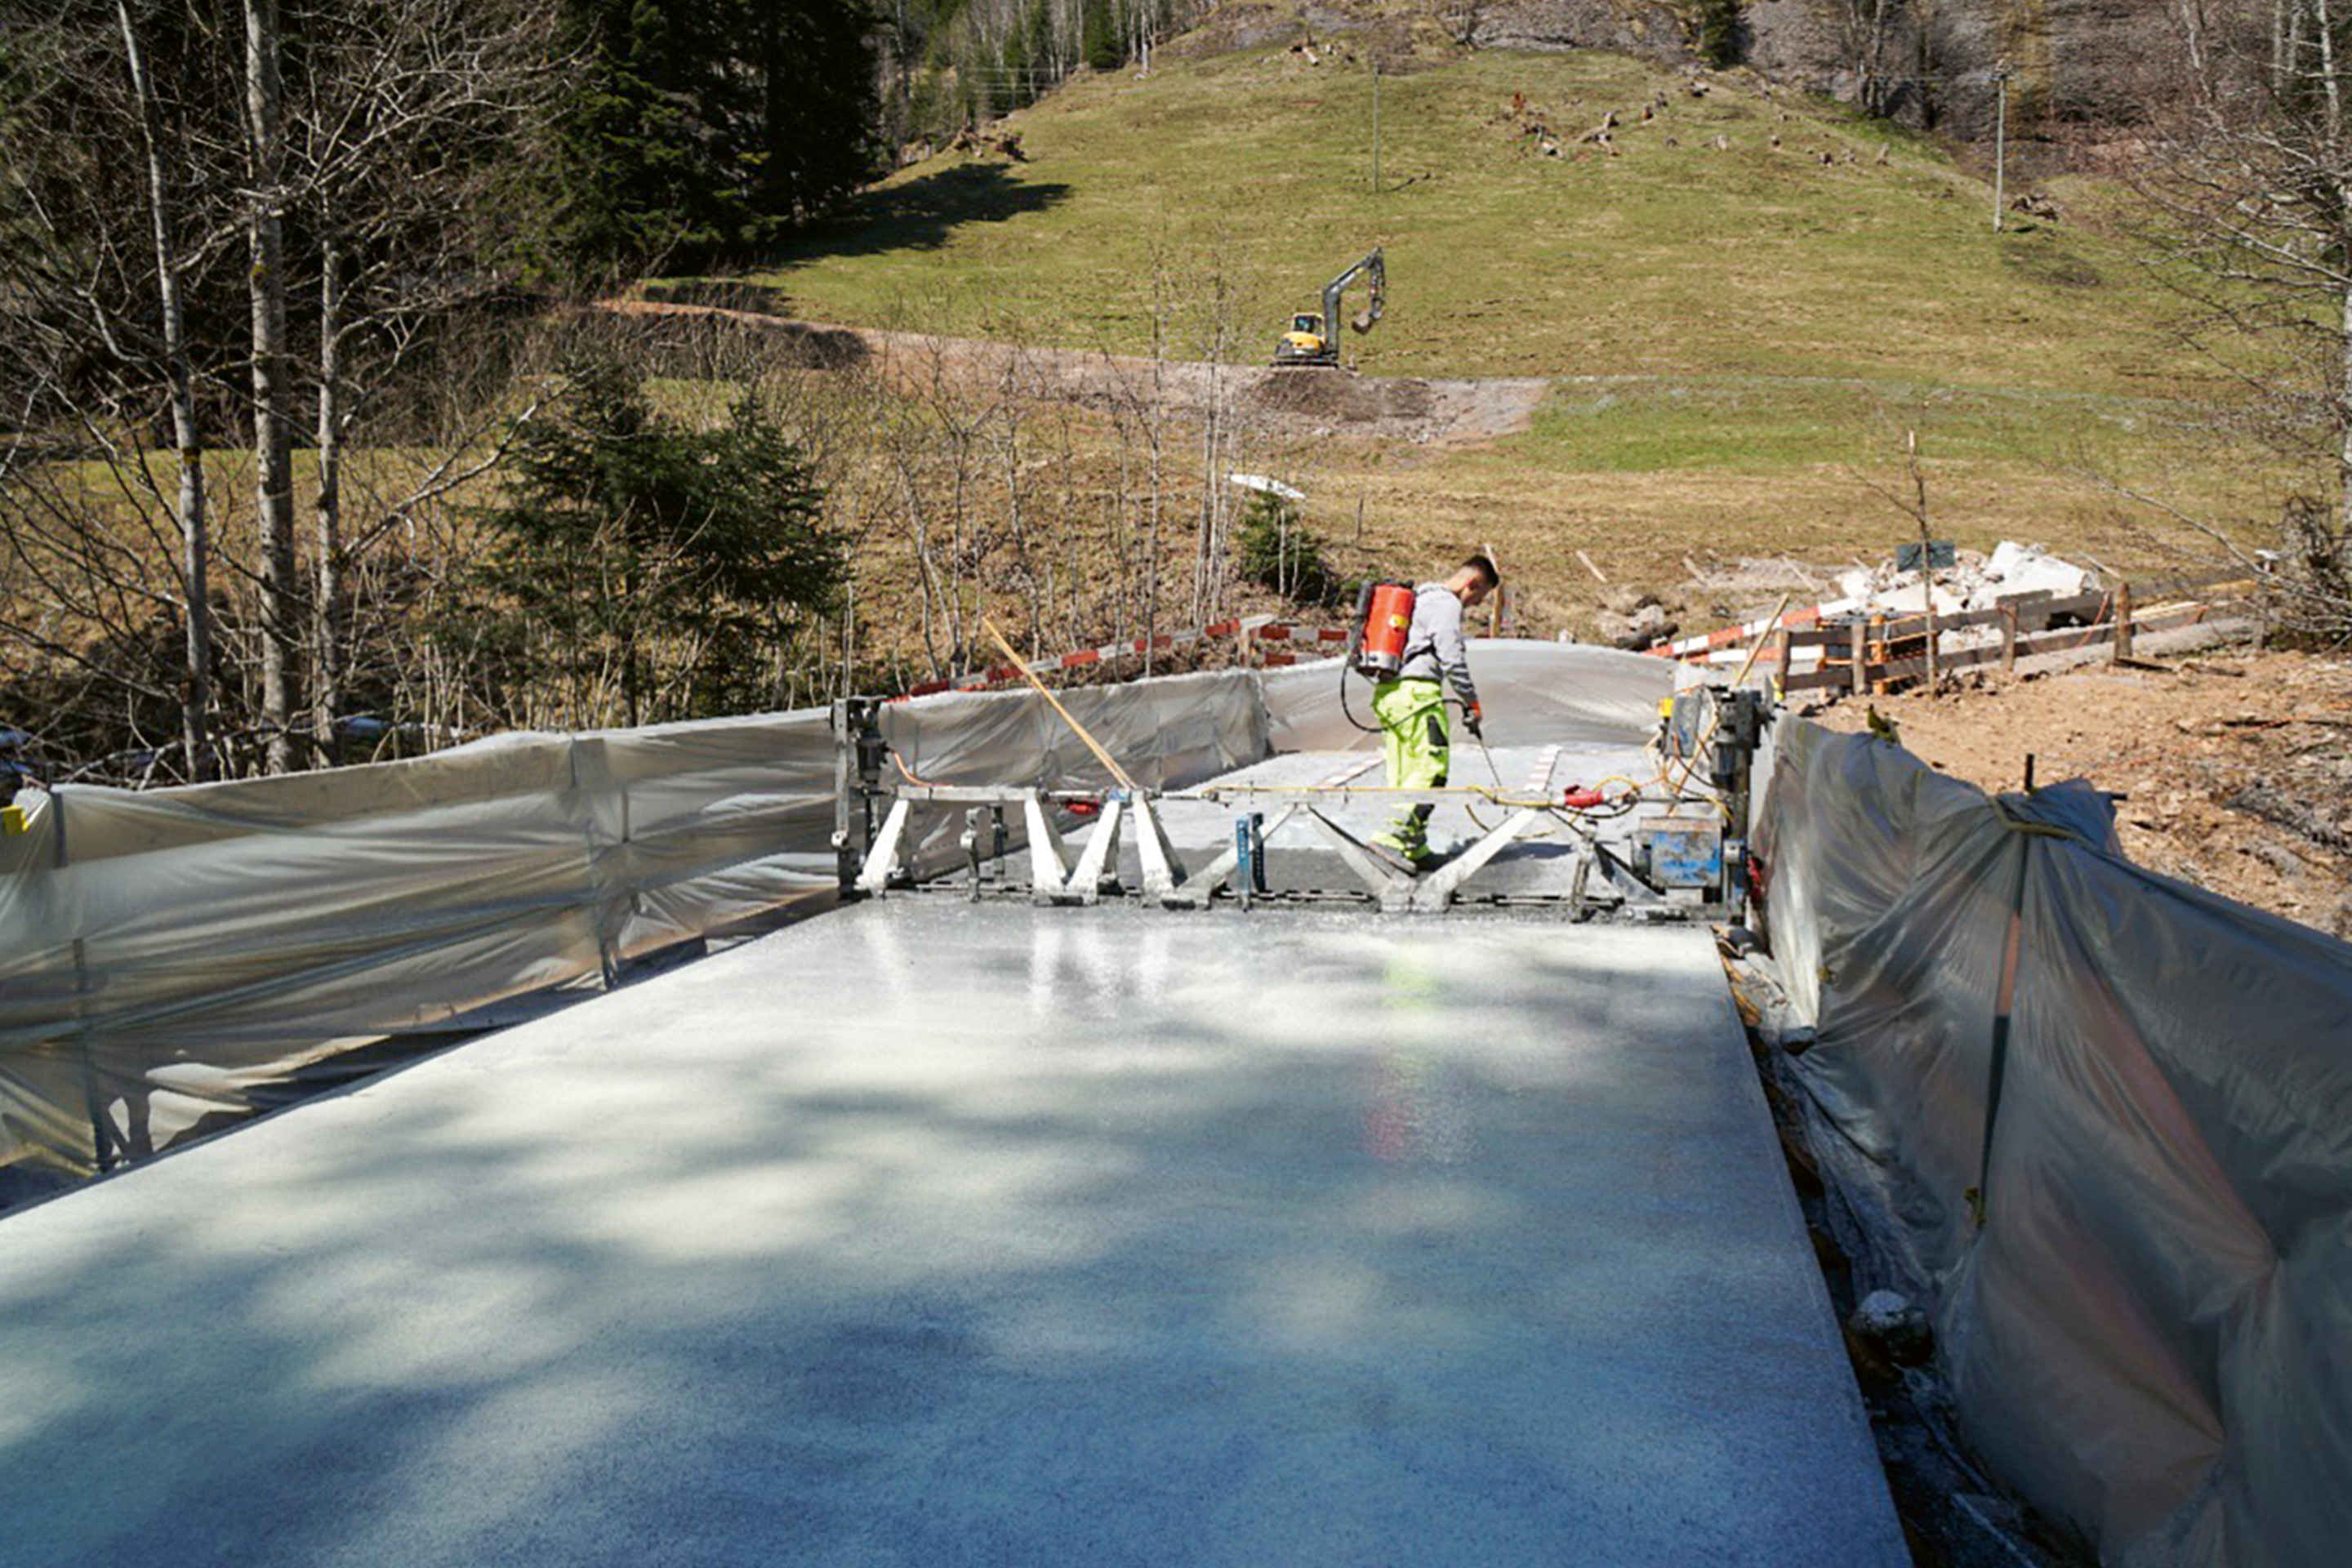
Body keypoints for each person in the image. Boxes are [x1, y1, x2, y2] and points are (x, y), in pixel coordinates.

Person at [1370, 555, 1498, 868]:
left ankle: (1413, 846)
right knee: (1431, 769)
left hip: (1390, 694)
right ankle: (1391, 839)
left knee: (1405, 774)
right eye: (1479, 597)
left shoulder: (1419, 600)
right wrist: (1471, 701)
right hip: (1418, 696)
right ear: (1472, 583)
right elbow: (1451, 657)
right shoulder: (1446, 605)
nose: (1475, 605)